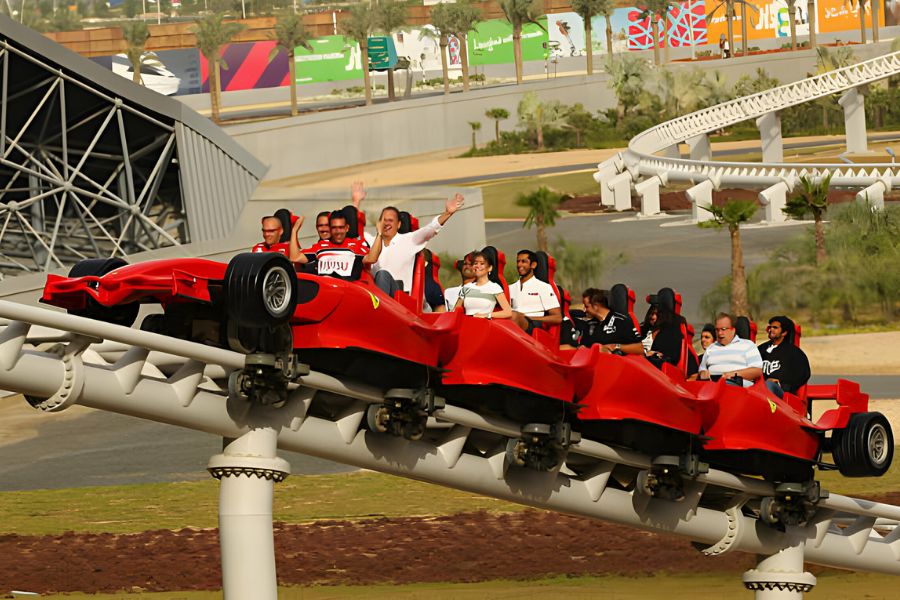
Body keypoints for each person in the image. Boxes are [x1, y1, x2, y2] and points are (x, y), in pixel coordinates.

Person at [372, 193, 465, 296]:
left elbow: (431, 229)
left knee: (382, 274)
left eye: (390, 221)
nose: (386, 223)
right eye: (384, 220)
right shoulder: (372, 242)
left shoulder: (408, 240)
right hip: (373, 295)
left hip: (400, 298)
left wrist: (448, 213)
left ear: (398, 224)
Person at [289, 211, 383, 279]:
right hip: (325, 291)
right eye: (334, 228)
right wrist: (294, 231)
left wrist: (379, 234)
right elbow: (295, 257)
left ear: (347, 228)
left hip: (349, 291)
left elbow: (372, 258)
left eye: (341, 227)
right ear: (330, 228)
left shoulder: (355, 245)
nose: (338, 232)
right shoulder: (320, 247)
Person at [698, 313, 763, 388]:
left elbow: (757, 370)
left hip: (739, 389)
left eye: (723, 329)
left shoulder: (747, 345)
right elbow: (702, 369)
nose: (719, 333)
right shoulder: (711, 348)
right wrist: (703, 373)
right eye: (717, 330)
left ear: (733, 330)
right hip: (712, 388)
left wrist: (734, 375)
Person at [509, 250, 562, 334]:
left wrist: (529, 317)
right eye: (518, 261)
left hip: (533, 325)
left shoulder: (543, 287)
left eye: (523, 261)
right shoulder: (510, 288)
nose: (519, 265)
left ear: (533, 265)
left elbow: (557, 318)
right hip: (512, 322)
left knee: (514, 315)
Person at [758, 316, 811, 399]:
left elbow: (803, 375)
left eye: (775, 327)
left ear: (784, 333)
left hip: (782, 393)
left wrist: (781, 384)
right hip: (759, 389)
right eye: (770, 327)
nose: (771, 330)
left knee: (769, 385)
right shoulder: (760, 349)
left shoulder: (795, 353)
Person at [578, 289, 642, 354]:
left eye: (586, 306)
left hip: (616, 362)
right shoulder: (589, 325)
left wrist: (616, 347)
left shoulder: (621, 321)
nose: (584, 310)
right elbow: (583, 346)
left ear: (596, 305)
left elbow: (640, 349)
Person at [454, 251, 512, 319]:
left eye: (482, 263)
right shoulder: (466, 287)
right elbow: (455, 311)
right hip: (466, 325)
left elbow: (508, 312)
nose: (478, 266)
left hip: (485, 326)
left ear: (490, 268)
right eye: (475, 263)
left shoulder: (495, 287)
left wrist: (486, 315)